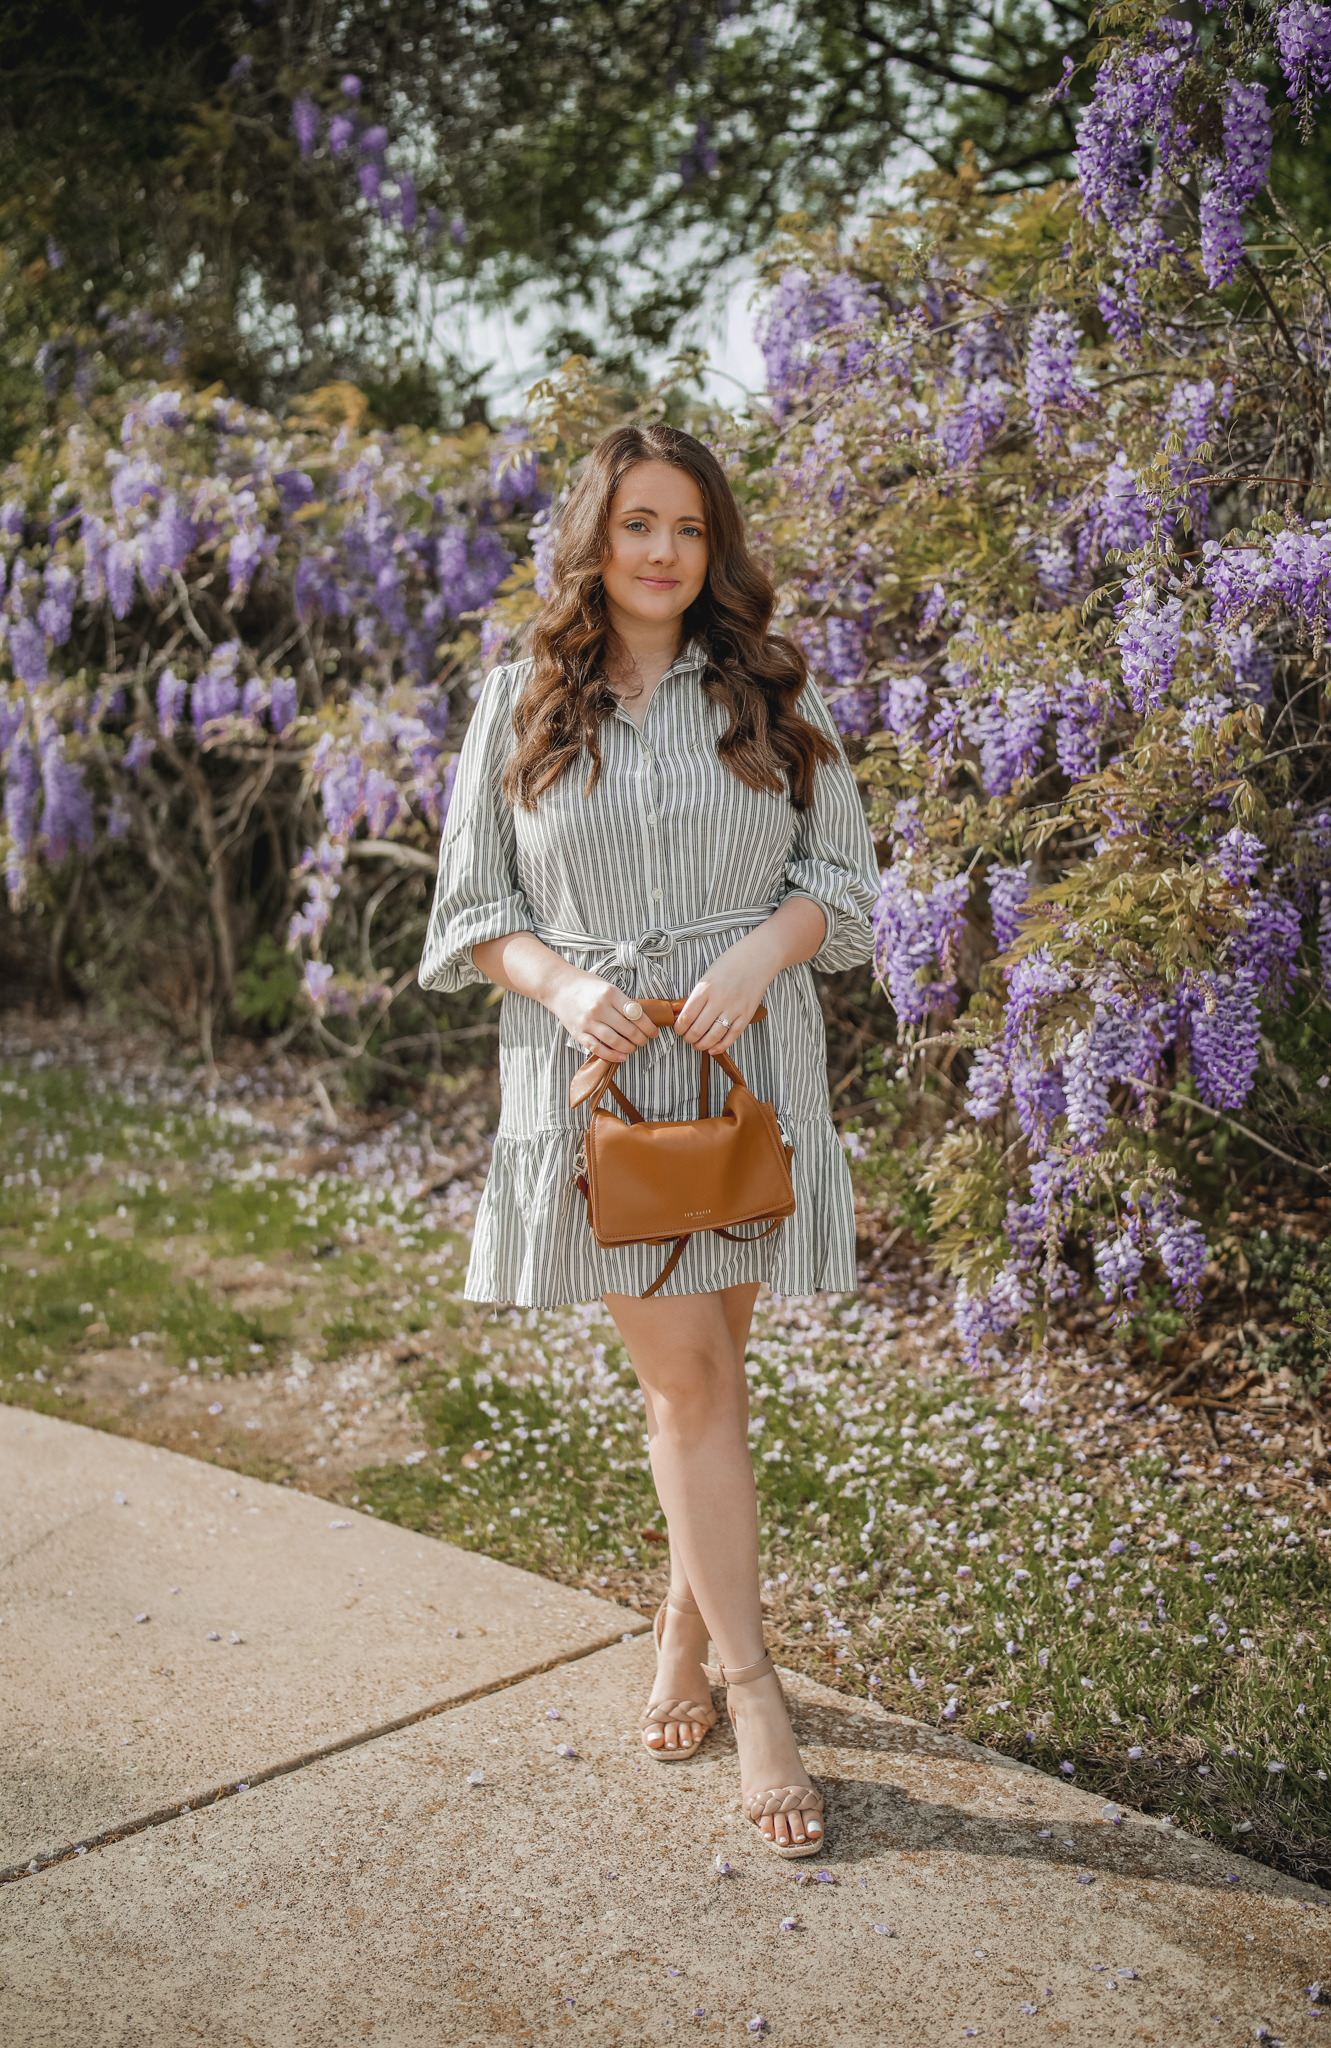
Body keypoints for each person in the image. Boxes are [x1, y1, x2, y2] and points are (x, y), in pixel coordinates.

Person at [419, 421, 878, 1856]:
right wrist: (569, 985)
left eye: (686, 527)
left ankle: (682, 1634)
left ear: (713, 546)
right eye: (636, 525)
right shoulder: (519, 703)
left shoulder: (771, 694)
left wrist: (758, 958)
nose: (663, 552)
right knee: (685, 1384)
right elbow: (470, 912)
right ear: (594, 543)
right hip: (604, 1083)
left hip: (742, 1069)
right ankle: (754, 1689)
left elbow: (841, 885)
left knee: (713, 1377)